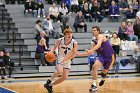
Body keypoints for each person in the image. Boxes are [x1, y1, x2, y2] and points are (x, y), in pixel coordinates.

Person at [77, 26, 115, 92]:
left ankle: (103, 79)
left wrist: (91, 51)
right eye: (92, 30)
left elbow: (99, 45)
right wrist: (79, 54)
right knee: (94, 66)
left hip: (110, 57)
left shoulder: (101, 36)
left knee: (103, 73)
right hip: (102, 56)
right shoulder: (94, 41)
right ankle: (94, 85)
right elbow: (90, 52)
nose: (93, 32)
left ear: (98, 31)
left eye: (94, 30)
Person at [44, 28, 78, 93]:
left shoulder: (74, 43)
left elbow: (74, 54)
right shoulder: (59, 40)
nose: (70, 35)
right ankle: (49, 80)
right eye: (68, 34)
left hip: (68, 59)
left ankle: (50, 85)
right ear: (64, 35)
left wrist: (67, 59)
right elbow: (54, 48)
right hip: (60, 57)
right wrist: (50, 53)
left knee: (64, 77)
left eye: (71, 34)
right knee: (59, 71)